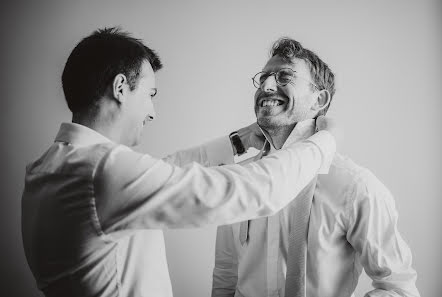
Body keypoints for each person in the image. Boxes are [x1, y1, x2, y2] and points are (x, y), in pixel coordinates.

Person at [21, 28, 338, 297]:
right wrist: (321, 143)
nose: (152, 112)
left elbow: (164, 172)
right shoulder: (102, 172)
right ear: (120, 88)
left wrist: (238, 143)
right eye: (150, 94)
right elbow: (255, 190)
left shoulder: (49, 169)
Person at [212, 38, 420, 297]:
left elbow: (399, 288)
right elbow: (226, 276)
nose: (266, 86)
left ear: (318, 99)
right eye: (263, 77)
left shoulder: (355, 187)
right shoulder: (237, 180)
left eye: (284, 77)